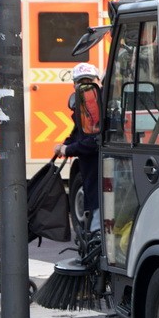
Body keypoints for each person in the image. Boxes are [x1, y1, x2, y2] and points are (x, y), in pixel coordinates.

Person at [54, 62, 102, 222]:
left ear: (97, 82)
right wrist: (66, 145)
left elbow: (94, 141)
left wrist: (68, 149)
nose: (85, 87)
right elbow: (78, 133)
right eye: (81, 83)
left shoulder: (99, 107)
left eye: (88, 82)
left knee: (97, 210)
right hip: (90, 170)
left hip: (97, 169)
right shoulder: (84, 108)